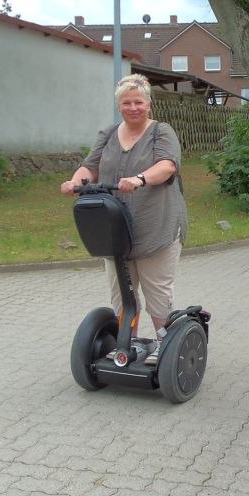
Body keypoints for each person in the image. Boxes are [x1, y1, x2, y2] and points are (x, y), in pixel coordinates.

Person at [60, 73, 187, 366]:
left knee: (157, 291)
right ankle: (125, 342)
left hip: (156, 225)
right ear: (119, 106)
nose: (133, 108)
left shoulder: (161, 132)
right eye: (127, 103)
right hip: (114, 226)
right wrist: (73, 183)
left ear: (148, 105)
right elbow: (90, 167)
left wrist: (140, 179)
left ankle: (163, 343)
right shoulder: (107, 134)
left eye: (138, 102)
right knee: (122, 292)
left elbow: (168, 166)